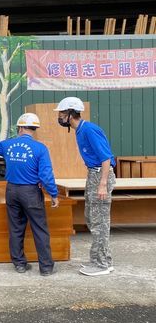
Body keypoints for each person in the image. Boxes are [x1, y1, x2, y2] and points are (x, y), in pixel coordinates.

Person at [0, 113, 59, 276]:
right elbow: (46, 174)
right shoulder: (40, 148)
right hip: (31, 192)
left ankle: (19, 264)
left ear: (20, 128)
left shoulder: (8, 144)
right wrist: (54, 194)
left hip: (12, 191)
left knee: (15, 228)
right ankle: (46, 267)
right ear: (34, 129)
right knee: (40, 229)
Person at [54, 97, 116, 276]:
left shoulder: (89, 130)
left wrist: (102, 184)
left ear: (71, 114)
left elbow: (105, 158)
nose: (59, 116)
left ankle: (103, 264)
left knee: (100, 222)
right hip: (93, 174)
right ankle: (98, 260)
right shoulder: (79, 130)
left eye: (62, 113)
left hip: (100, 175)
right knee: (91, 217)